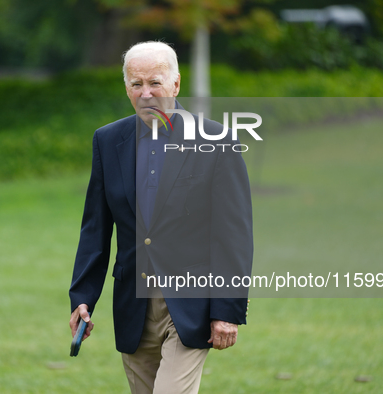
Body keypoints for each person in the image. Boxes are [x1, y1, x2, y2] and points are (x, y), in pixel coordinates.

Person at [69, 41, 253, 394]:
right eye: (136, 85)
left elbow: (233, 235)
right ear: (126, 88)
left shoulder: (217, 141)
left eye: (155, 82)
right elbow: (95, 228)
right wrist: (82, 297)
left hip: (190, 304)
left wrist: (227, 309)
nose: (146, 93)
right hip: (132, 305)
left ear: (176, 84)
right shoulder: (108, 141)